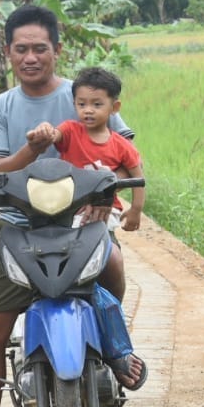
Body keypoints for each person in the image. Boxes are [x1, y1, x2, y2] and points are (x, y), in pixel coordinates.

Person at [0, 5, 146, 407]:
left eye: (40, 48)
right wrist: (31, 149)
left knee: (113, 265)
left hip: (82, 223)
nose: (31, 57)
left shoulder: (85, 94)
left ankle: (115, 350)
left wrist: (108, 193)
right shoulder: (1, 108)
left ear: (57, 49)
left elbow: (122, 155)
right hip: (20, 226)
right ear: (8, 52)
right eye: (21, 49)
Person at [24, 65, 146, 305]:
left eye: (97, 104)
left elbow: (137, 175)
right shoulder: (70, 131)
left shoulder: (121, 145)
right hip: (64, 212)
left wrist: (136, 210)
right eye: (82, 104)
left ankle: (113, 310)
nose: (88, 110)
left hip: (102, 216)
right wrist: (45, 131)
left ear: (115, 107)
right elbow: (55, 135)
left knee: (112, 260)